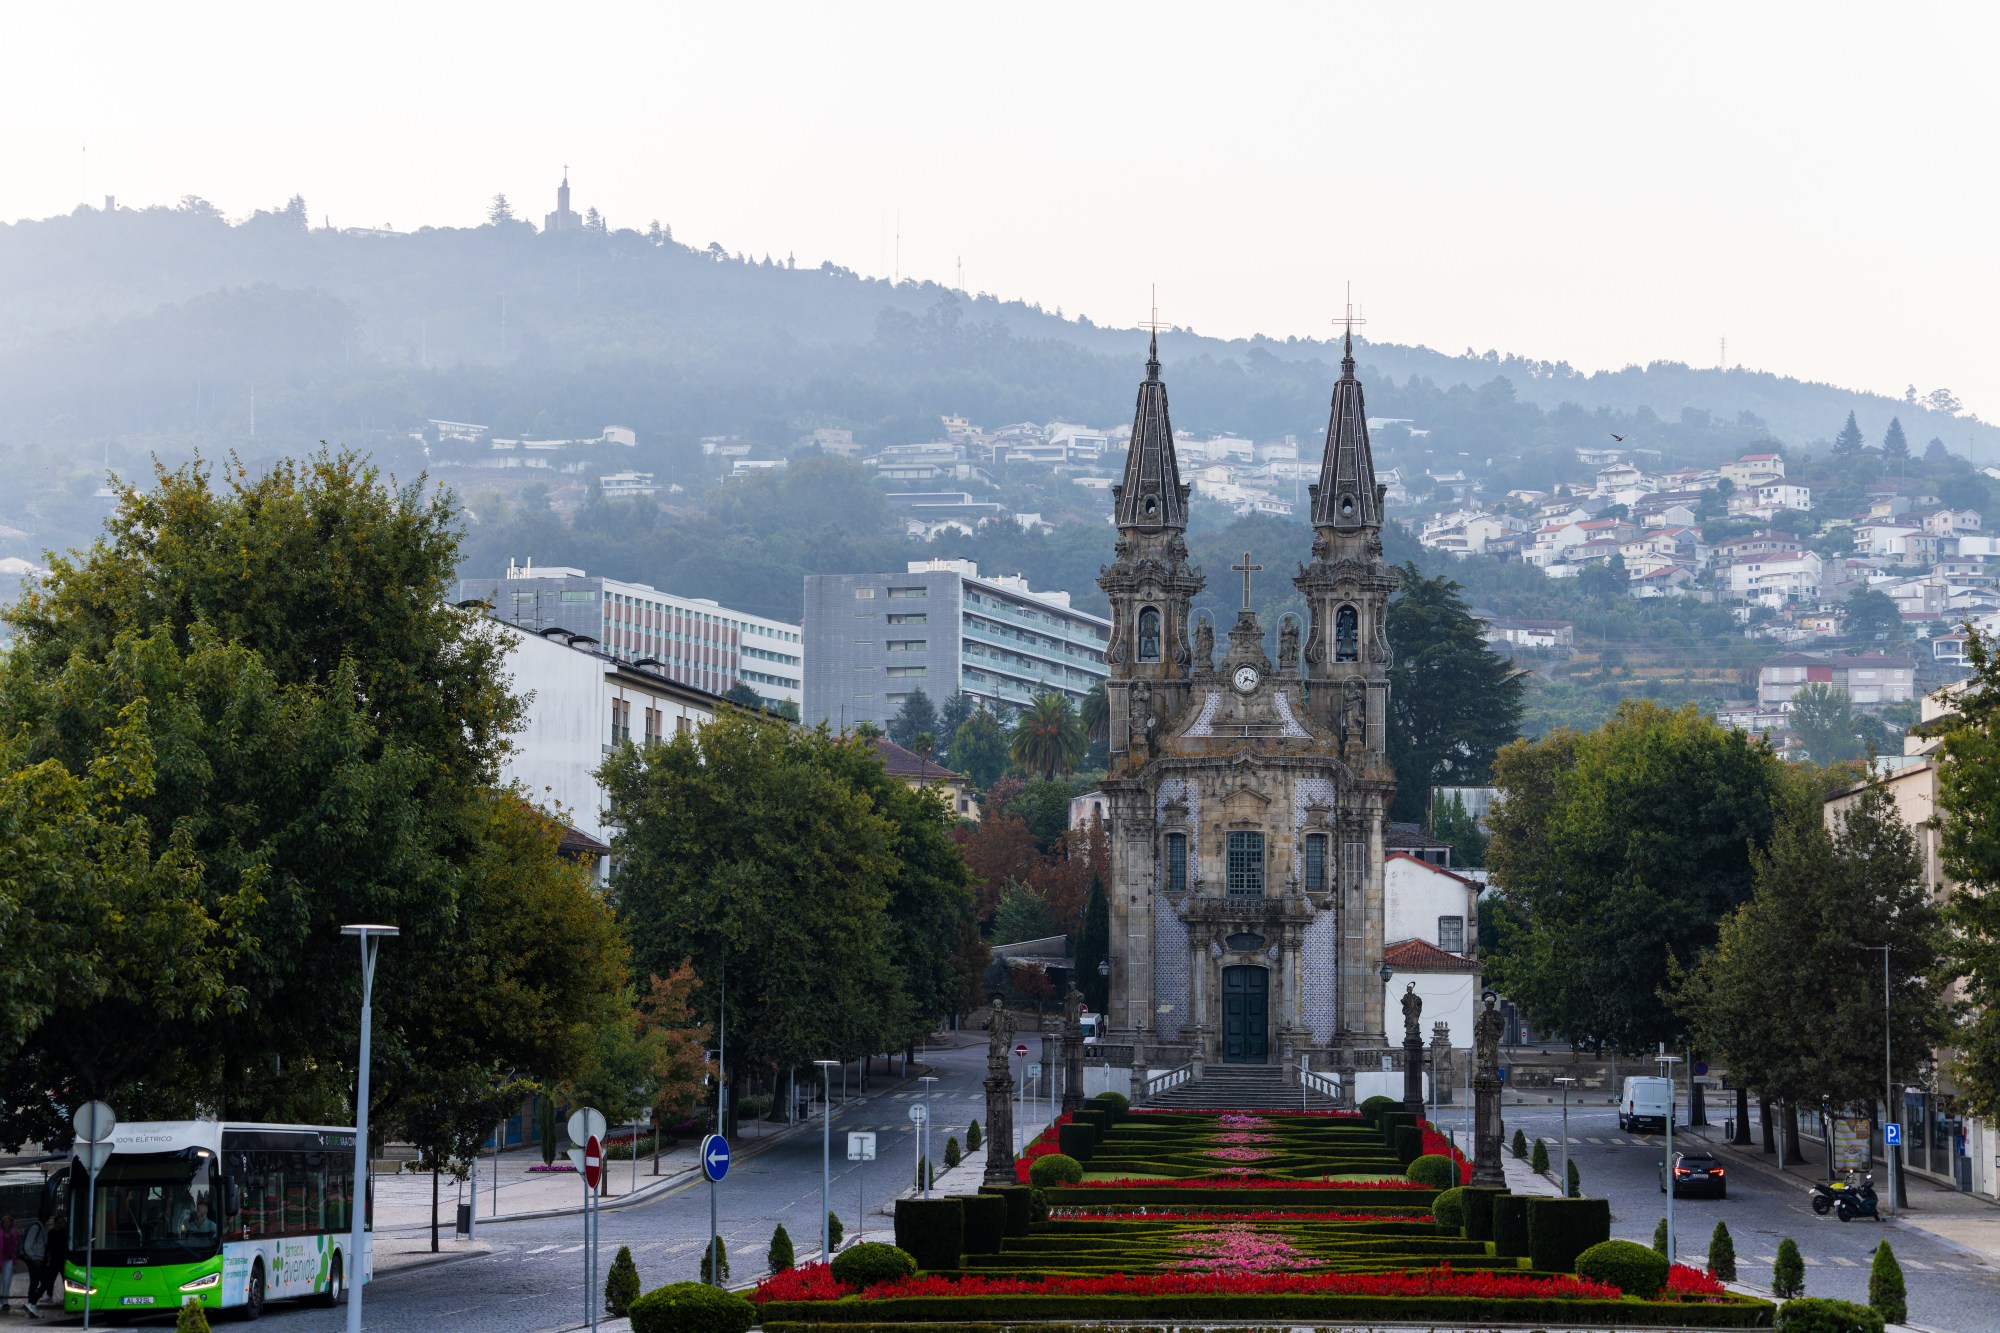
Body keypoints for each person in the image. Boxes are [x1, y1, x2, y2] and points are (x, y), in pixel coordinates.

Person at [0, 1214, 17, 1313]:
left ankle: (5, 1301)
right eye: (5, 1222)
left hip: (9, 1259)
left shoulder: (13, 1233)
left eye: (8, 1221)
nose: (7, 1223)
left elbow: (15, 1245)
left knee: (7, 1281)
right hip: (1, 1259)